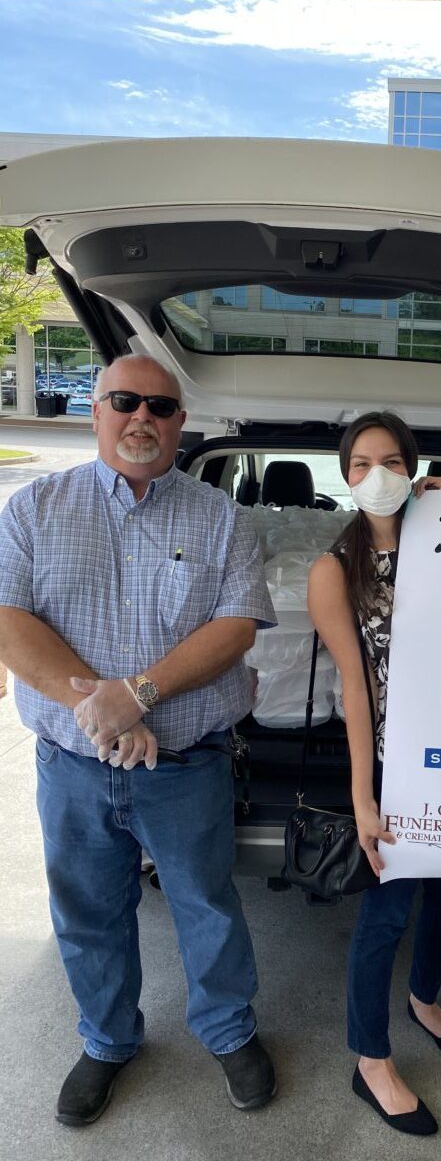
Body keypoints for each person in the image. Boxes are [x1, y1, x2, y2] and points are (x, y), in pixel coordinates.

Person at [0, 355, 278, 1127]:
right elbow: (9, 622)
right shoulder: (32, 511)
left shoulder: (220, 517)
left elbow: (234, 627)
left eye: (161, 406)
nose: (142, 419)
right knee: (87, 911)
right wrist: (98, 708)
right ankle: (107, 1041)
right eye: (125, 402)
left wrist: (140, 695)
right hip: (73, 766)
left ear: (181, 425)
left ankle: (228, 1031)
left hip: (186, 766)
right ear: (95, 412)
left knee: (206, 906)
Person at [308, 411, 441, 1138]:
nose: (377, 476)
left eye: (392, 461)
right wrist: (364, 798)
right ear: (345, 478)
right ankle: (369, 1058)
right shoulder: (333, 571)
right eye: (360, 464)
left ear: (413, 467)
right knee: (386, 913)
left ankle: (425, 1000)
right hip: (396, 762)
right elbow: (354, 687)